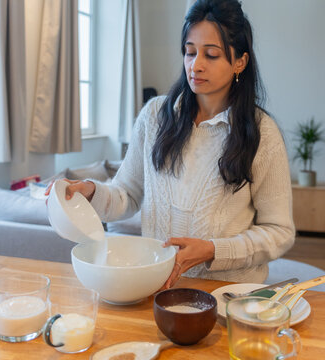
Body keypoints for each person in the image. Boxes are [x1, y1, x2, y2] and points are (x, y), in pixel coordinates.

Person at [55, 0, 294, 289]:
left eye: (212, 55)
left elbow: (279, 232)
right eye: (190, 52)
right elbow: (127, 195)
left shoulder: (261, 133)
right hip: (156, 285)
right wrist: (91, 193)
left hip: (229, 293)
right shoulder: (155, 116)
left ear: (240, 62)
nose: (196, 65)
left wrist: (213, 250)